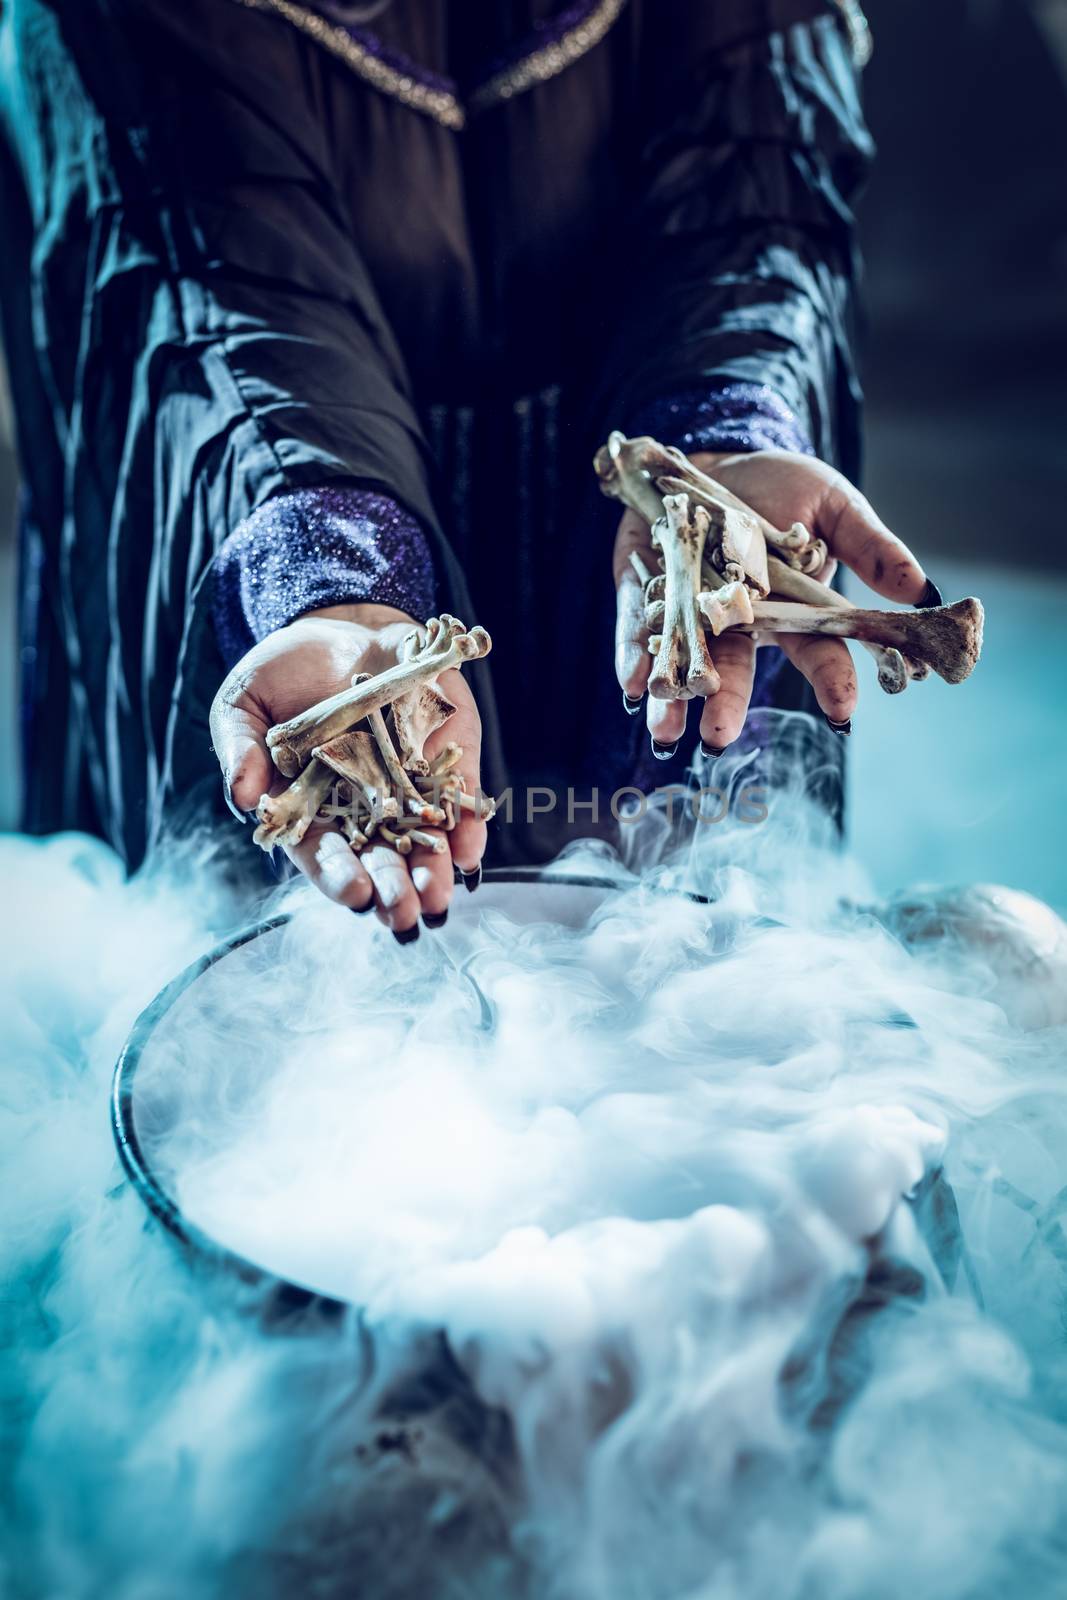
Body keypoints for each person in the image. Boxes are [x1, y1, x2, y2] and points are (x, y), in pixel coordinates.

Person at [0, 0, 938, 939]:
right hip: (295, 483)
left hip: (610, 515)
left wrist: (714, 435)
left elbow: (752, 176)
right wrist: (327, 571)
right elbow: (194, 248)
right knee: (292, 990)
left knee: (683, 951)